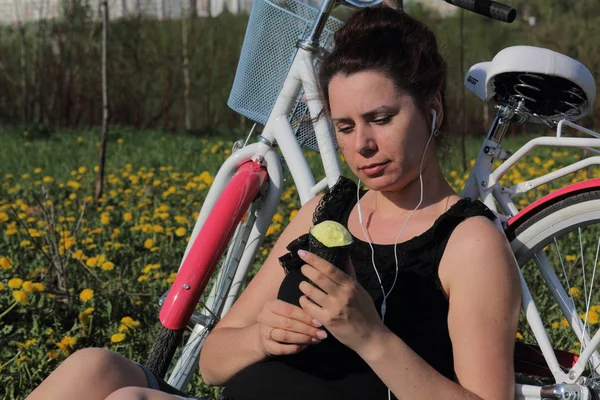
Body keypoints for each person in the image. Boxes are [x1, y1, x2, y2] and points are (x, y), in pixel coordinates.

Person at [26, 6, 521, 400]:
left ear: (432, 109)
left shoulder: (468, 240)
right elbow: (213, 361)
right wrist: (262, 336)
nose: (362, 145)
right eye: (345, 127)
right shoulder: (326, 211)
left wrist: (372, 337)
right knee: (94, 368)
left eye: (381, 118)